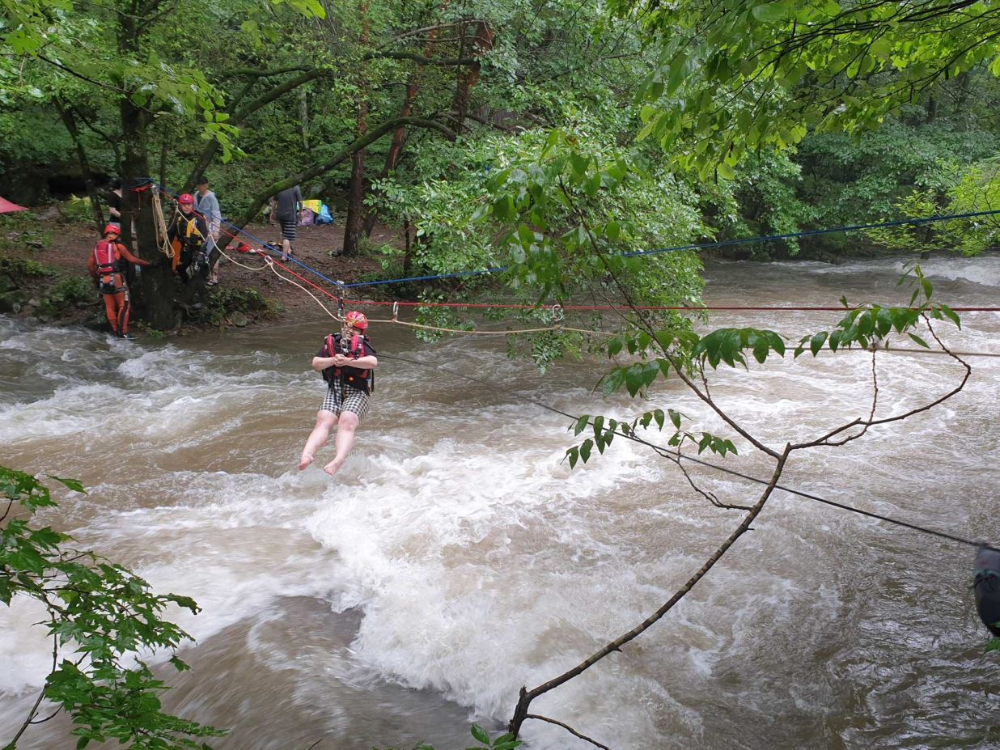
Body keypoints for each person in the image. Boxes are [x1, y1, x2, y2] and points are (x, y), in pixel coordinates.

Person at [299, 311, 377, 477]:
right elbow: (316, 363)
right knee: (323, 420)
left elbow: (372, 362)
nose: (352, 331)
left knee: (347, 421)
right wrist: (333, 360)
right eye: (350, 328)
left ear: (361, 332)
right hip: (335, 389)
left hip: (357, 392)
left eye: (356, 329)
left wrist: (348, 361)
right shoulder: (332, 342)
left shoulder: (363, 345)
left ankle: (338, 459)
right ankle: (307, 454)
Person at [87, 223, 151, 340]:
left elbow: (90, 265)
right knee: (124, 305)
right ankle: (123, 332)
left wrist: (95, 276)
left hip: (103, 279)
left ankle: (115, 330)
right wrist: (147, 263)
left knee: (109, 306)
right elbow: (131, 259)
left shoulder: (97, 247)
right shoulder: (118, 246)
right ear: (117, 234)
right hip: (116, 278)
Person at [167, 193, 211, 309]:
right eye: (184, 205)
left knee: (199, 274)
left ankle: (202, 300)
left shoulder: (199, 218)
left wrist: (202, 252)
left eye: (189, 204)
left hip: (198, 249)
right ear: (180, 205)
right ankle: (187, 285)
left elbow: (205, 237)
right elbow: (170, 233)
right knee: (180, 268)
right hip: (186, 249)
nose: (186, 207)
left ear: (193, 205)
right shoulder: (178, 218)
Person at [194, 176, 222, 286]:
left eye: (203, 185)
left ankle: (214, 276)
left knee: (211, 250)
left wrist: (216, 230)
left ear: (207, 184)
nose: (201, 187)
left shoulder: (211, 197)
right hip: (198, 227)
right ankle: (202, 273)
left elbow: (216, 214)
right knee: (200, 250)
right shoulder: (196, 195)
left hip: (210, 227)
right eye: (199, 185)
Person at [274, 184, 302, 261]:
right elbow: (300, 201)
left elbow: (274, 201)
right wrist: (300, 212)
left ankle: (288, 251)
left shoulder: (280, 187)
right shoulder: (295, 187)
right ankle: (284, 256)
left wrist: (272, 212)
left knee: (285, 234)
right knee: (287, 237)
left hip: (280, 214)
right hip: (290, 215)